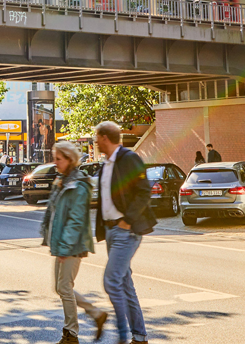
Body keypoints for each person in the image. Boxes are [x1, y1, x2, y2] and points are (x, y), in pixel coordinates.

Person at [94, 121, 155, 344]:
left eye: (96, 138)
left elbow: (144, 191)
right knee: (125, 283)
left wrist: (128, 221)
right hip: (111, 231)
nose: (95, 141)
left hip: (125, 231)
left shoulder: (129, 159)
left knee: (112, 281)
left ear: (104, 138)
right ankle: (139, 337)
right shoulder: (105, 164)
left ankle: (121, 337)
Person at [42, 140, 108, 344]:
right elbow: (54, 210)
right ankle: (96, 314)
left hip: (72, 244)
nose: (55, 163)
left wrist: (65, 246)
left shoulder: (79, 184)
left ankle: (71, 334)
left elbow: (76, 220)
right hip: (62, 243)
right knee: (61, 287)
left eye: (58, 159)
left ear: (69, 160)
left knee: (64, 286)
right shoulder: (63, 179)